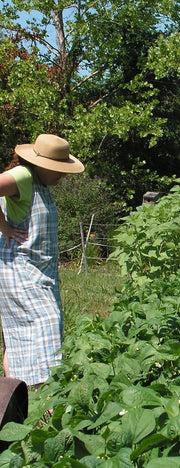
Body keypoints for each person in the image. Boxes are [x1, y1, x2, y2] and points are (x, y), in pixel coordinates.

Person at [0, 134, 84, 388]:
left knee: (20, 336)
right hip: (20, 269)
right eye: (58, 170)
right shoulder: (24, 176)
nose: (63, 175)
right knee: (45, 325)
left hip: (39, 273)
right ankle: (48, 398)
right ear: (41, 165)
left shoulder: (41, 186)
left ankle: (14, 399)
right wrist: (3, 227)